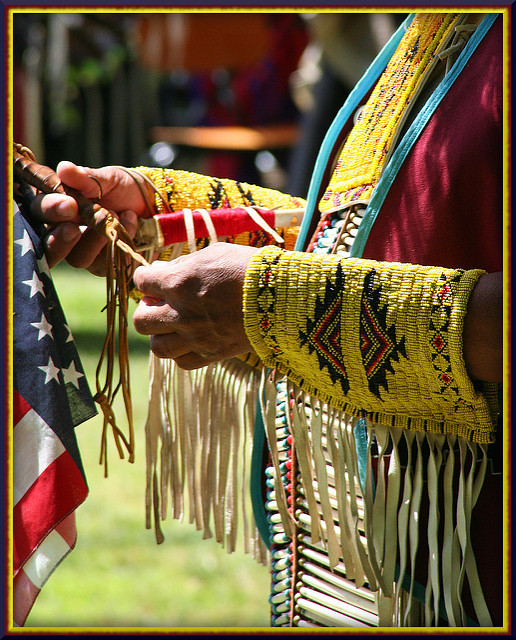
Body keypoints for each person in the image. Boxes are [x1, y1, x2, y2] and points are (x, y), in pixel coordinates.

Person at [30, 11, 504, 628]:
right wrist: (164, 221)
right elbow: (360, 232)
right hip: (372, 561)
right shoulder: (442, 25)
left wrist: (273, 306)